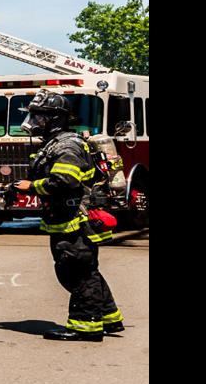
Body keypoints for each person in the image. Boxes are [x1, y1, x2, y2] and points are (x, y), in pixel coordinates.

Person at [10, 90, 124, 342]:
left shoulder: (67, 145)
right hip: (66, 217)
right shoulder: (55, 143)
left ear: (56, 118)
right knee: (85, 270)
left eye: (39, 115)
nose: (32, 121)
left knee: (76, 272)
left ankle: (86, 326)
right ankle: (108, 317)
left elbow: (65, 180)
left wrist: (32, 187)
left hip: (75, 219)